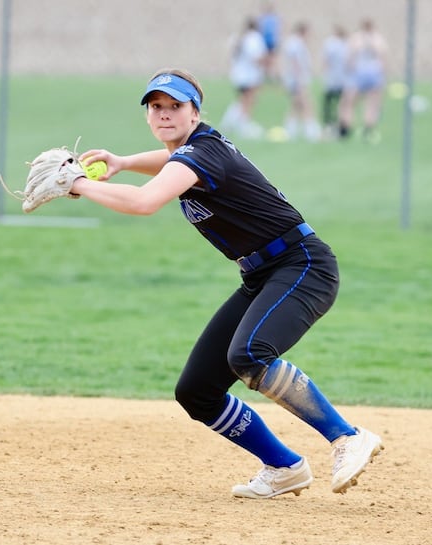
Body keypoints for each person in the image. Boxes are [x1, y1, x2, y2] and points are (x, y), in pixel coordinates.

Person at [72, 68, 384, 499]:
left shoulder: (204, 154)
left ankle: (347, 436)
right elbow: (169, 161)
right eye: (156, 107)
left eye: (175, 106)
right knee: (196, 391)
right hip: (261, 274)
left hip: (303, 265)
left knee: (250, 354)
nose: (164, 114)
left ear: (195, 113)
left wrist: (80, 184)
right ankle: (283, 467)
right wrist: (124, 163)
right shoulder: (192, 152)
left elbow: (145, 202)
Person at [338, 18, 388, 143]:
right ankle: (368, 129)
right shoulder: (378, 39)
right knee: (371, 103)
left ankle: (345, 129)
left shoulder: (356, 38)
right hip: (374, 73)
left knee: (348, 102)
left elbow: (349, 57)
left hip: (359, 73)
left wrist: (348, 70)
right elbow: (383, 59)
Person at [220, 17, 267, 139]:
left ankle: (229, 123)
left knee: (242, 100)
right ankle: (244, 125)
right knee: (248, 101)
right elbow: (256, 57)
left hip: (238, 74)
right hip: (249, 75)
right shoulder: (254, 38)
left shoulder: (239, 37)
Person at [279, 22, 322, 142]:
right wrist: (299, 81)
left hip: (296, 79)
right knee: (306, 104)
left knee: (296, 105)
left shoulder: (294, 43)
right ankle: (311, 130)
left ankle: (290, 130)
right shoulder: (295, 43)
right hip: (297, 80)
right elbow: (295, 63)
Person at [321, 24, 349, 139]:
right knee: (340, 103)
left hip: (333, 78)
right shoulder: (345, 44)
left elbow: (326, 61)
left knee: (330, 102)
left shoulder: (331, 43)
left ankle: (330, 124)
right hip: (341, 78)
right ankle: (340, 126)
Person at [257, 1, 282, 82]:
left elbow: (277, 30)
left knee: (272, 59)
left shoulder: (273, 18)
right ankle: (267, 75)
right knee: (267, 59)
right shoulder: (263, 18)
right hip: (266, 41)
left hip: (270, 41)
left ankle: (274, 75)